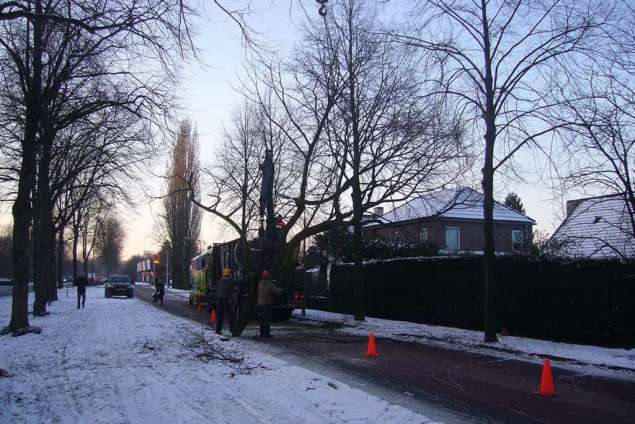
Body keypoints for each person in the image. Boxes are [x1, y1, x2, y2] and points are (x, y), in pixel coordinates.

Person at [258, 270, 281, 338]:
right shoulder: (269, 284)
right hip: (267, 303)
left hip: (260, 303)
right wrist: (281, 290)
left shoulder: (260, 283)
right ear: (268, 276)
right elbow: (277, 291)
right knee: (267, 320)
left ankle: (262, 333)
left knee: (262, 319)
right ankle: (266, 334)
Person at [216, 267, 237, 336]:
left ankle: (218, 330)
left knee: (220, 315)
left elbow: (218, 288)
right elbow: (239, 282)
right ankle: (233, 331)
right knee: (230, 315)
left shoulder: (220, 281)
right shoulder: (230, 281)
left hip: (219, 299)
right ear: (229, 274)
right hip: (226, 299)